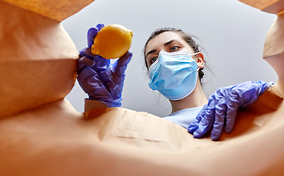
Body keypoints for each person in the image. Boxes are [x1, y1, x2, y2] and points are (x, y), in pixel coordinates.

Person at [77, 24, 273, 141]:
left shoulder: (238, 105)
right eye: (153, 59)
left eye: (174, 48)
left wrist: (267, 93)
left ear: (198, 60)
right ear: (152, 80)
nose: (163, 59)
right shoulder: (150, 130)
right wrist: (100, 109)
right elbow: (98, 161)